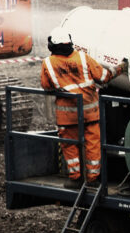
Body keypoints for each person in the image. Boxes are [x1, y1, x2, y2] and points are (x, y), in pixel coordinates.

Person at [39, 32, 125, 185]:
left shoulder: (48, 63)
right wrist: (121, 67)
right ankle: (92, 179)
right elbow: (104, 76)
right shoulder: (83, 57)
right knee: (93, 145)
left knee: (70, 146)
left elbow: (46, 86)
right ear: (69, 43)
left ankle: (75, 179)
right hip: (90, 113)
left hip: (67, 116)